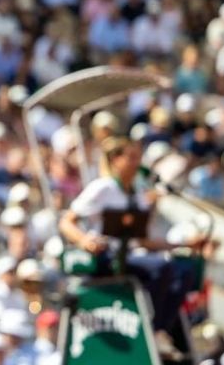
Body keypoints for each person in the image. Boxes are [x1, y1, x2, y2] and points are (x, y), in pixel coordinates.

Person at [59, 136, 201, 358]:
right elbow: (67, 221)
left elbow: (143, 242)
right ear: (116, 160)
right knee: (162, 268)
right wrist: (84, 240)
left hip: (128, 256)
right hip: (105, 258)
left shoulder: (137, 195)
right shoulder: (103, 188)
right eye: (131, 157)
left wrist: (183, 244)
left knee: (185, 270)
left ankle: (159, 329)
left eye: (138, 157)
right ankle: (152, 328)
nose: (137, 163)